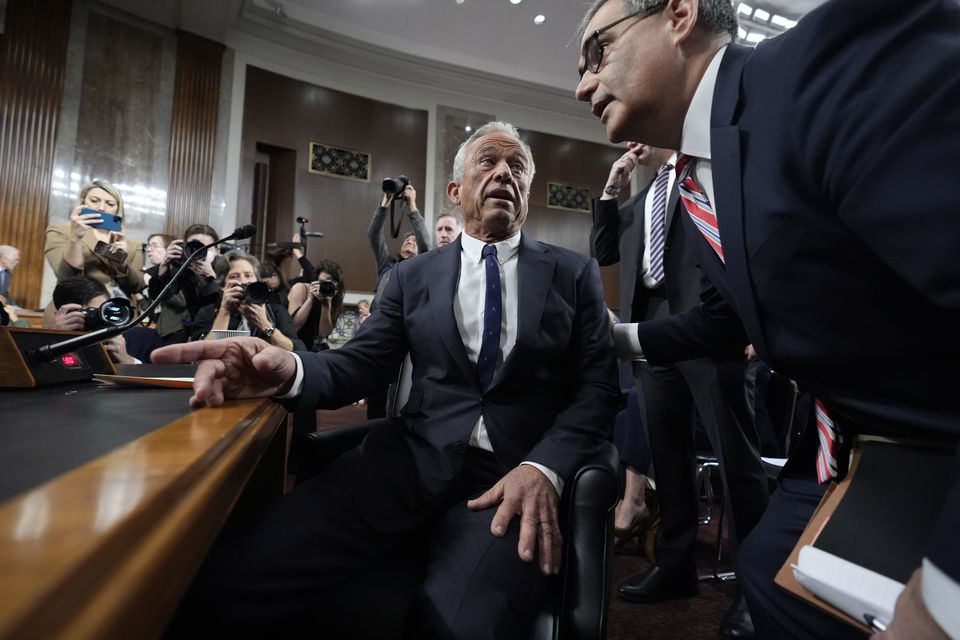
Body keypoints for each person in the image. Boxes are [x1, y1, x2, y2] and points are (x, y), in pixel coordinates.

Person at [574, 1, 960, 638]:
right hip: (843, 448)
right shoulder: (702, 172)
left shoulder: (824, 65)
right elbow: (726, 320)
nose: (582, 84)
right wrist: (611, 338)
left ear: (678, 14)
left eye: (597, 52)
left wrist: (945, 601)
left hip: (926, 444)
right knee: (765, 565)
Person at [153, 121, 619, 638]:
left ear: (528, 192)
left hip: (508, 482)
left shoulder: (574, 274)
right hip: (403, 464)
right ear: (455, 189)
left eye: (519, 168)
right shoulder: (412, 276)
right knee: (228, 578)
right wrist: (291, 368)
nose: (505, 173)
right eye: (489, 161)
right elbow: (362, 364)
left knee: (463, 626)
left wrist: (544, 467)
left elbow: (599, 389)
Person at [593, 140, 767, 637]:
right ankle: (676, 565)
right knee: (668, 457)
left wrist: (751, 324)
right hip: (652, 333)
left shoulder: (704, 172)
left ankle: (755, 588)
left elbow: (739, 246)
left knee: (738, 462)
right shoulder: (643, 195)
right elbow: (605, 250)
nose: (630, 139)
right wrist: (611, 188)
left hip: (709, 330)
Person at [43, 180, 144, 325]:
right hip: (75, 312)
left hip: (119, 315)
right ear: (83, 203)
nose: (101, 208)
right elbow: (65, 277)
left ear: (118, 209)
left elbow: (137, 286)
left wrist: (121, 263)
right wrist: (75, 238)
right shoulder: (61, 231)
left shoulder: (132, 244)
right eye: (94, 200)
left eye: (110, 204)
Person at [190, 250, 300, 352]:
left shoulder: (276, 312)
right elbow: (200, 354)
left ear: (257, 280)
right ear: (223, 285)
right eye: (234, 276)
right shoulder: (208, 313)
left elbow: (296, 351)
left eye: (248, 275)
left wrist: (265, 324)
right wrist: (224, 312)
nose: (243, 281)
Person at [45, 275, 162, 365]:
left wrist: (129, 361)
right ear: (61, 316)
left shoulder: (143, 340)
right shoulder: (53, 344)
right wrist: (52, 342)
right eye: (88, 315)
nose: (98, 321)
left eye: (102, 312)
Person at [146, 223, 222, 341]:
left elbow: (227, 301)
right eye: (196, 247)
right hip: (185, 335)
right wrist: (164, 266)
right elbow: (158, 296)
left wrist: (211, 276)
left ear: (217, 250)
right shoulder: (180, 268)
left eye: (207, 247)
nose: (201, 252)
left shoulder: (226, 268)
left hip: (217, 332)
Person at [287, 259, 344, 352]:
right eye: (321, 282)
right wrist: (310, 299)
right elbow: (293, 327)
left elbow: (323, 333)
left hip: (313, 348)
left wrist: (327, 304)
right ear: (315, 280)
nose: (324, 286)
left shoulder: (334, 297)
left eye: (328, 283)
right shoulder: (301, 289)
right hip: (293, 345)